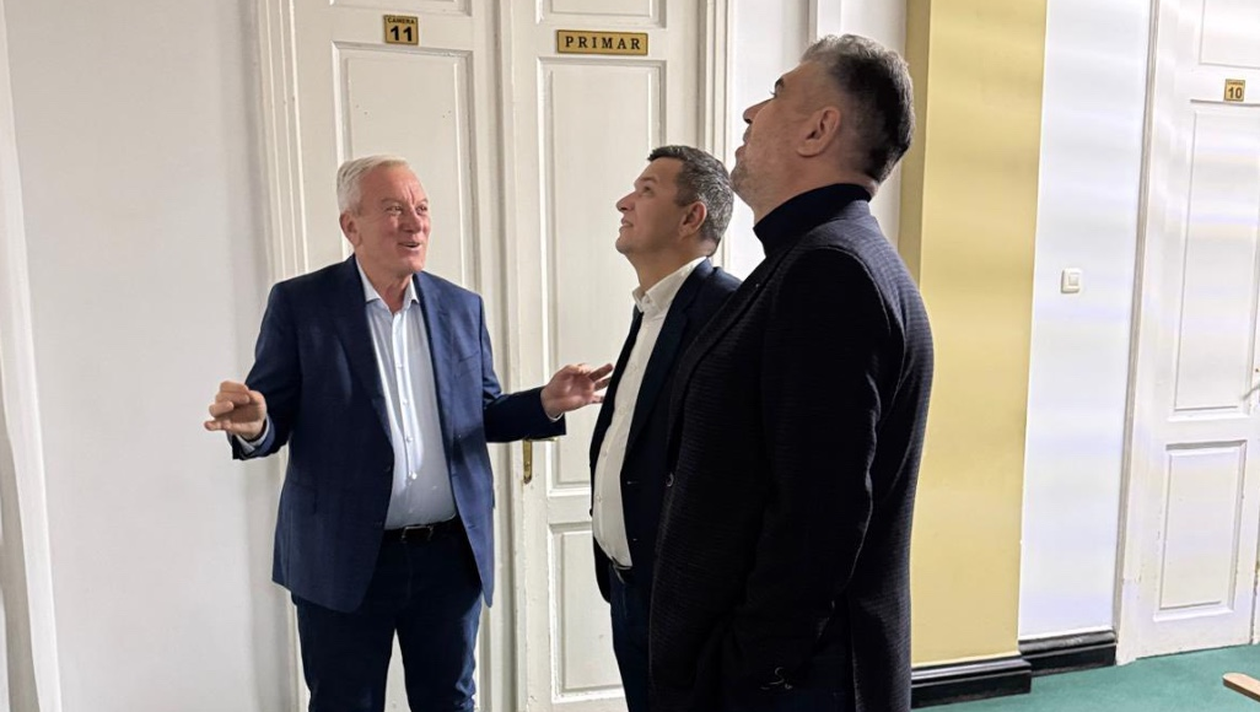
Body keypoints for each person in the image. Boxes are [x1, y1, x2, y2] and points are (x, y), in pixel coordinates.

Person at [204, 155, 610, 712]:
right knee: (344, 703)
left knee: (449, 700)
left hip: (449, 556)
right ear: (351, 225)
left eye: (422, 208)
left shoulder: (461, 307)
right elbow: (270, 417)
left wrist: (544, 403)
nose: (415, 223)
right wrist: (256, 425)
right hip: (342, 556)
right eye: (394, 209)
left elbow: (480, 415)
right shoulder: (301, 305)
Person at [648, 35, 934, 712]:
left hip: (790, 688)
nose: (751, 112)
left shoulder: (829, 270)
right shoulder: (815, 257)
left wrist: (753, 669)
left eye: (776, 94)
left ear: (818, 130)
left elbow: (822, 515)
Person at [590, 145, 740, 712]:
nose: (623, 202)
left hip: (686, 601)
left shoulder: (728, 312)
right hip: (629, 586)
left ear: (690, 217)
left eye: (646, 190)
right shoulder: (652, 308)